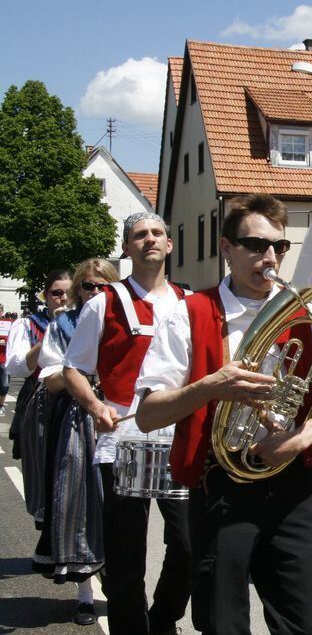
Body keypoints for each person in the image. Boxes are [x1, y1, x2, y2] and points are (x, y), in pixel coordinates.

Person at [134, 193, 312, 634]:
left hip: (290, 483)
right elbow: (147, 415)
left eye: (280, 247)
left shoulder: (306, 310)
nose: (270, 257)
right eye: (256, 245)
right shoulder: (189, 314)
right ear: (226, 248)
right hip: (220, 486)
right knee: (223, 624)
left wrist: (298, 439)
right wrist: (213, 385)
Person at [62, 213, 191, 635]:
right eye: (140, 235)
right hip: (123, 437)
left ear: (169, 245)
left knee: (191, 543)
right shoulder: (103, 301)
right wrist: (95, 407)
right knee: (125, 555)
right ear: (127, 247)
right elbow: (74, 369)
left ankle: (164, 618)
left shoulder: (190, 302)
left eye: (157, 233)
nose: (149, 240)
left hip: (178, 435)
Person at [32, 258, 118, 626]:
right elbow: (50, 378)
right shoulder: (64, 324)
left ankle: (123, 587)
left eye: (102, 287)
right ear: (78, 291)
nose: (95, 293)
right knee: (79, 508)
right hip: (80, 421)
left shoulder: (127, 322)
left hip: (125, 420)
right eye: (88, 287)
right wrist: (82, 378)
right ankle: (85, 594)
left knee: (124, 510)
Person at [7, 271, 71, 460]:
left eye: (69, 293)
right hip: (38, 401)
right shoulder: (27, 324)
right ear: (46, 295)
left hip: (76, 403)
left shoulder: (85, 323)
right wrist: (51, 333)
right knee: (38, 470)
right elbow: (17, 368)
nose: (64, 298)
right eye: (57, 293)